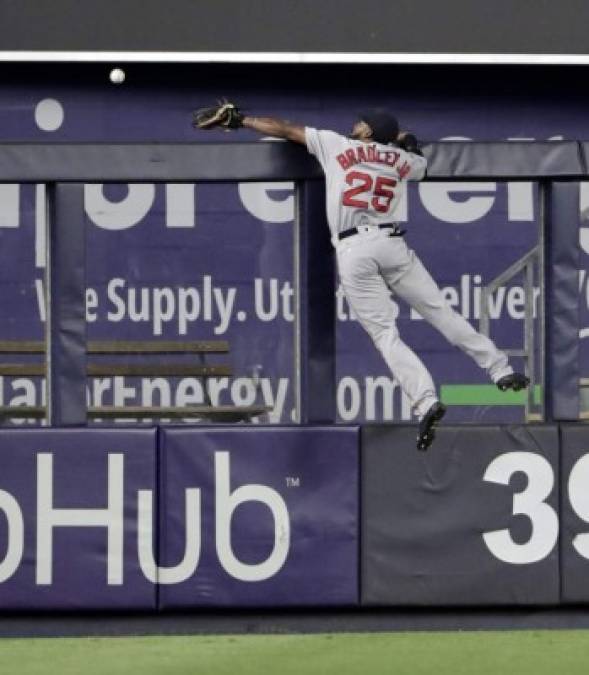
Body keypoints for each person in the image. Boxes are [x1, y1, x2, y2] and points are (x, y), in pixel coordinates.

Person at [197, 105, 529, 450]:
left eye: (362, 123)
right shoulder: (402, 161)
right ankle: (500, 370)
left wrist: (242, 121)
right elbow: (418, 159)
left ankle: (426, 400)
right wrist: (403, 140)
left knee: (385, 333)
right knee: (443, 314)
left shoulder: (338, 145)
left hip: (356, 247)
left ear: (369, 132)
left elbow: (285, 129)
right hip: (392, 244)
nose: (355, 124)